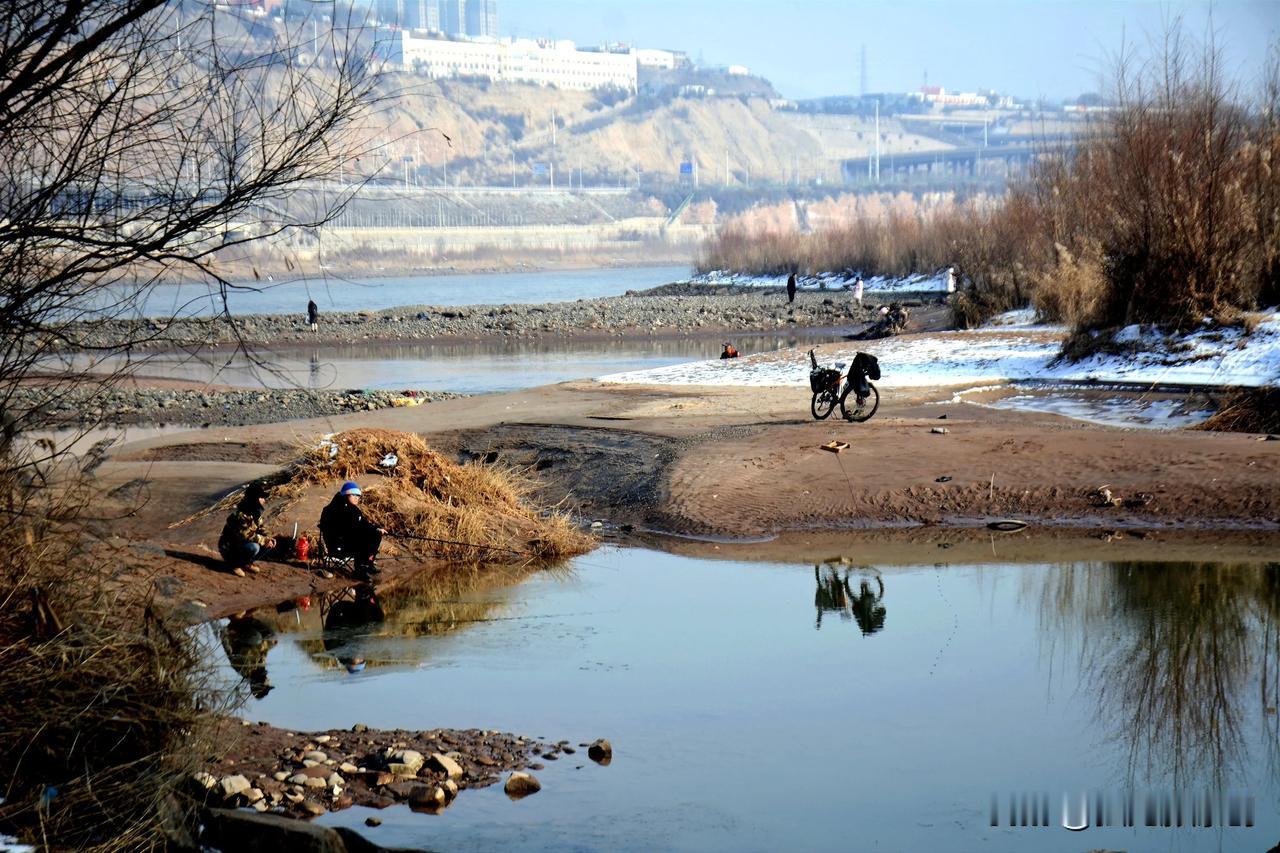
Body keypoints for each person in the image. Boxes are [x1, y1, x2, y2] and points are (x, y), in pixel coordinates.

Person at [319, 481, 386, 577]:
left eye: (358, 496)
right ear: (345, 495)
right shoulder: (333, 509)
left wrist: (377, 528)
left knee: (376, 534)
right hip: (338, 546)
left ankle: (368, 564)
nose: (356, 498)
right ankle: (360, 570)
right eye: (353, 495)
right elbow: (347, 529)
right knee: (363, 538)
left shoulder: (354, 509)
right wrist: (367, 531)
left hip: (350, 541)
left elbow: (363, 523)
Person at [218, 483, 275, 577]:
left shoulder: (255, 512)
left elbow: (261, 527)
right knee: (254, 547)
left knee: (269, 543)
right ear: (255, 499)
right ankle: (234, 565)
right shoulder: (242, 514)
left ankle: (247, 563)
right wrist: (264, 540)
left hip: (240, 543)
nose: (264, 500)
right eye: (262, 497)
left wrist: (268, 537)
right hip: (228, 547)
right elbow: (246, 534)